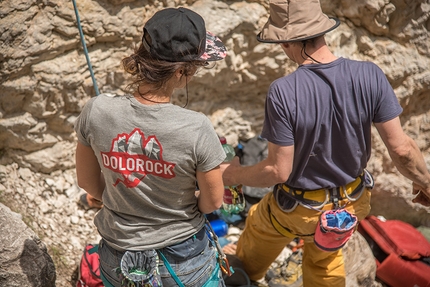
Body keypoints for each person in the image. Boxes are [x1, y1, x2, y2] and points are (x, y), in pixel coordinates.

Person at [221, 1, 430, 286]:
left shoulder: (283, 91)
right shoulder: (370, 74)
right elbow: (403, 149)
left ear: (286, 42)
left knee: (260, 223)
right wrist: (425, 183)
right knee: (325, 260)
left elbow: (277, 171)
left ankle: (244, 272)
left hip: (297, 210)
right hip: (349, 207)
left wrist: (232, 175)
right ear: (322, 32)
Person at [74, 7, 228, 287]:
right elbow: (213, 201)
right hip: (182, 262)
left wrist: (122, 198)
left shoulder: (96, 110)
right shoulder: (196, 127)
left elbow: (87, 182)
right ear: (181, 71)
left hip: (116, 256)